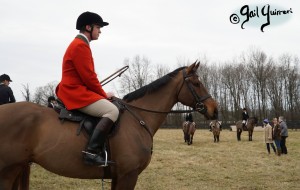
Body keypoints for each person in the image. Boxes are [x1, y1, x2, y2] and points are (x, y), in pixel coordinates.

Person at [55, 11, 119, 166]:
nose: (100, 31)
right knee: (112, 110)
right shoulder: (80, 46)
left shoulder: (80, 44)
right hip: (74, 93)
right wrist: (104, 95)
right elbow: (90, 78)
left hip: (76, 89)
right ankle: (91, 152)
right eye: (98, 27)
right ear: (88, 27)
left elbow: (87, 78)